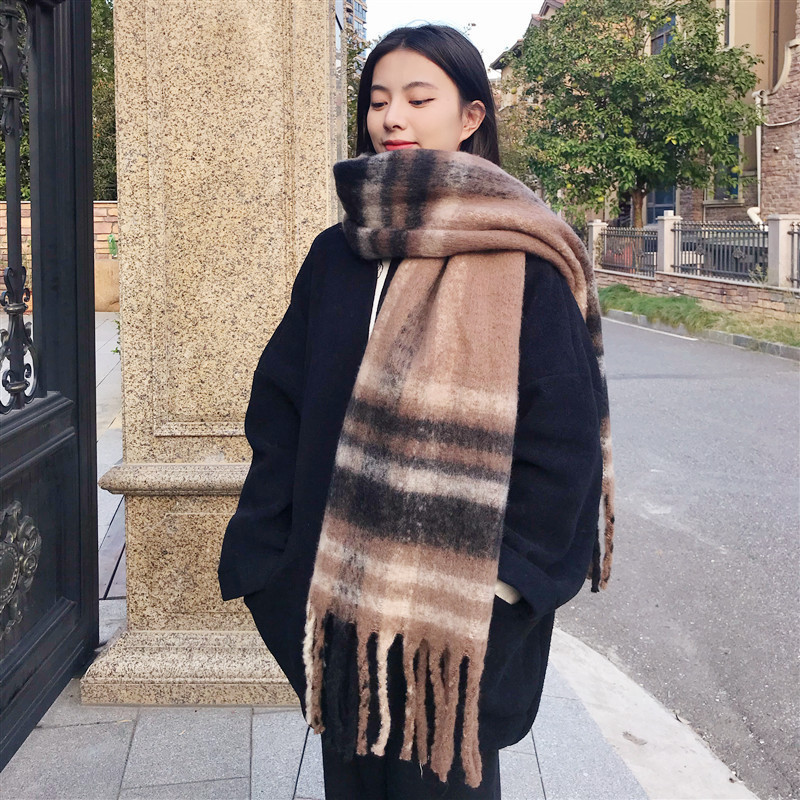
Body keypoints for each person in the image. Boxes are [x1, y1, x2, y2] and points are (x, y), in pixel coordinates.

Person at [218, 23, 615, 800]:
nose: (391, 117)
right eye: (377, 100)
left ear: (470, 116)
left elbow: (562, 444)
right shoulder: (338, 253)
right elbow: (280, 409)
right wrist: (273, 562)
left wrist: (500, 591)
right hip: (335, 603)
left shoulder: (523, 258)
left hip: (456, 626)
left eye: (417, 98)